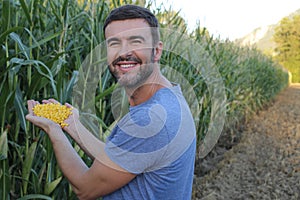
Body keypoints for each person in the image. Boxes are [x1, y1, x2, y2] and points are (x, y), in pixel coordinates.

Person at [26, 4, 196, 200]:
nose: (124, 53)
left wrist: (54, 131)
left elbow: (85, 188)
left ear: (156, 51)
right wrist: (71, 124)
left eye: (135, 41)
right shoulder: (169, 98)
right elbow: (119, 159)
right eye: (114, 43)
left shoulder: (151, 119)